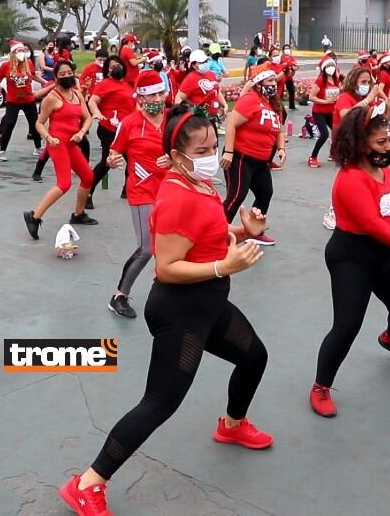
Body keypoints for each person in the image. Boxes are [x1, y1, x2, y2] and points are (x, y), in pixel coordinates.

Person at [58, 103, 273, 515]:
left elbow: (209, 231)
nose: (213, 154)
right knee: (159, 403)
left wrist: (244, 230)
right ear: (177, 156)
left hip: (210, 304)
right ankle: (87, 483)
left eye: (215, 144)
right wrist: (223, 266)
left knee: (254, 357)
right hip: (181, 311)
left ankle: (231, 426)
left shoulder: (202, 186)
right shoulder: (175, 195)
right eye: (202, 149)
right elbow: (168, 267)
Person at [309, 103, 390, 418]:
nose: (388, 146)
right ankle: (321, 387)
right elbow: (370, 224)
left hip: (385, 253)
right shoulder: (350, 179)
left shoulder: (388, 173)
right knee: (347, 325)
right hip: (351, 257)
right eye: (381, 143)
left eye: (389, 140)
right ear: (360, 144)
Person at [104, 71, 170, 318]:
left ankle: (170, 294)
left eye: (160, 92)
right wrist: (113, 161)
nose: (157, 98)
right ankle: (119, 296)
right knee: (147, 248)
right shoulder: (130, 123)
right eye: (151, 94)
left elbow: (186, 150)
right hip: (142, 191)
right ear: (140, 97)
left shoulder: (172, 120)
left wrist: (173, 158)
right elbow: (113, 154)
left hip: (171, 191)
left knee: (172, 244)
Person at [23, 61, 96, 239]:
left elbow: (87, 118)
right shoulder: (52, 97)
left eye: (69, 73)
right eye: (62, 74)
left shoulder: (77, 94)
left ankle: (78, 214)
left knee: (88, 176)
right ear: (55, 77)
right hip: (57, 144)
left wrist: (81, 132)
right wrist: (48, 138)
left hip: (72, 143)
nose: (66, 76)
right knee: (64, 183)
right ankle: (34, 216)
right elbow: (39, 123)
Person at [220, 64, 285, 245]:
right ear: (258, 83)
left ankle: (253, 230)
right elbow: (231, 124)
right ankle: (216, 233)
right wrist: (229, 152)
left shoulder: (273, 104)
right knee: (237, 195)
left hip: (261, 161)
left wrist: (281, 148)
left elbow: (279, 131)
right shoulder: (250, 99)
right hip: (242, 157)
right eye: (270, 80)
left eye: (274, 80)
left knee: (265, 193)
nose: (274, 84)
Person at [84, 55, 136, 205]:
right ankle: (88, 193)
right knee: (107, 162)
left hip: (127, 129)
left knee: (132, 160)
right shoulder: (105, 84)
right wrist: (97, 113)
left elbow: (134, 106)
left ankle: (127, 190)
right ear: (107, 71)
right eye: (112, 67)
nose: (116, 68)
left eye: (118, 65)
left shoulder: (128, 85)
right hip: (109, 129)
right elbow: (93, 101)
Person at [0, 41, 46, 162]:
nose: (22, 53)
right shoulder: (6, 65)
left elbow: (33, 76)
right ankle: (2, 150)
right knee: (10, 123)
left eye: (24, 50)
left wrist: (45, 82)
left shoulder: (28, 63)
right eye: (19, 51)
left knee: (34, 123)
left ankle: (38, 148)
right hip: (13, 100)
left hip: (28, 99)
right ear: (13, 53)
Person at [175, 50, 226, 134]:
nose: (205, 64)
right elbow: (179, 97)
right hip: (199, 119)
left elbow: (217, 91)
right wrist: (179, 115)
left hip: (212, 118)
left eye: (206, 61)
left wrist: (224, 104)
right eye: (201, 62)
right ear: (194, 65)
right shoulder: (190, 78)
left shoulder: (210, 74)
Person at [307, 56, 342, 168]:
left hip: (331, 111)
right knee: (324, 134)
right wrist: (325, 101)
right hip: (319, 111)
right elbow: (311, 97)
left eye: (332, 65)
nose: (331, 68)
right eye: (328, 66)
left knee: (338, 131)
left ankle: (332, 153)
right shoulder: (321, 80)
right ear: (324, 68)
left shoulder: (336, 79)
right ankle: (313, 157)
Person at [281, 44, 298, 110]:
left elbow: (295, 65)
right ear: (283, 50)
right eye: (286, 48)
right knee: (281, 92)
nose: (287, 50)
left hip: (289, 77)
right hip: (282, 77)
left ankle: (292, 106)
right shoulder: (281, 58)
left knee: (292, 91)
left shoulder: (291, 58)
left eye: (288, 48)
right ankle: (280, 106)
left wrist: (295, 68)